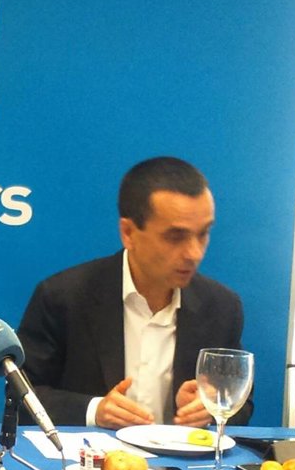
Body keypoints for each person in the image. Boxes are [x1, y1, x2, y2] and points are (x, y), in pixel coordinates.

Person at [16, 156, 249, 429]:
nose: (194, 253)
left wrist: (210, 408)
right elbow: (21, 398)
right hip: (92, 454)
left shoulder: (221, 307)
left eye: (203, 234)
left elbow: (242, 404)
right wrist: (94, 411)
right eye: (175, 237)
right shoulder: (64, 297)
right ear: (128, 232)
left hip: (181, 457)